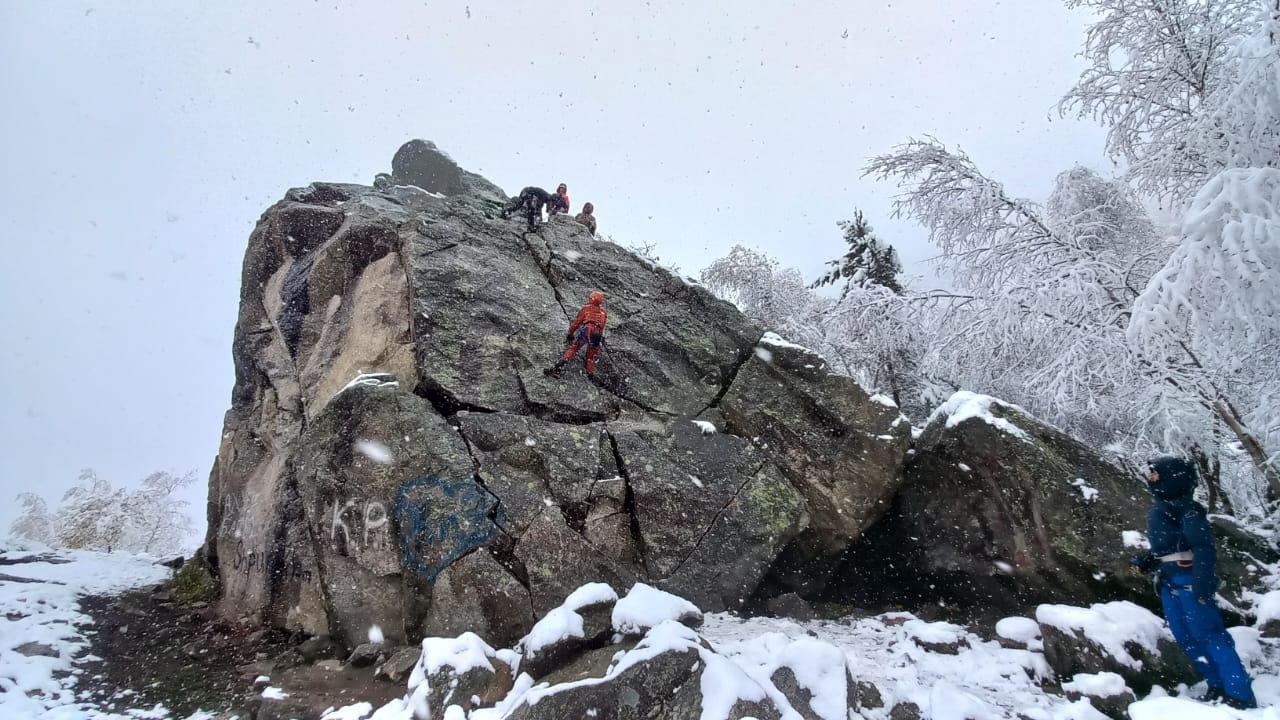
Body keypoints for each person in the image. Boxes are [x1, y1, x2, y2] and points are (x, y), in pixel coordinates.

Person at [1131, 456, 1257, 709]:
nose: (1151, 478)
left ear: (1172, 477)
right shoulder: (1162, 506)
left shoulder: (1188, 509)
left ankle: (1239, 694)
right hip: (1169, 580)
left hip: (1189, 580)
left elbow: (1203, 548)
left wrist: (1202, 583)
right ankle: (1217, 685)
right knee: (1185, 635)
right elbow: (1166, 545)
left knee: (1210, 635)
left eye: (1155, 474)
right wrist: (1146, 560)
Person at [545, 290, 607, 380]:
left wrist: (570, 333)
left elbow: (577, 323)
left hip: (586, 332)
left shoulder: (587, 309)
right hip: (596, 335)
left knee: (574, 348)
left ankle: (558, 368)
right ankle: (590, 375)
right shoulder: (604, 312)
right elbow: (602, 326)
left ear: (591, 299)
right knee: (590, 356)